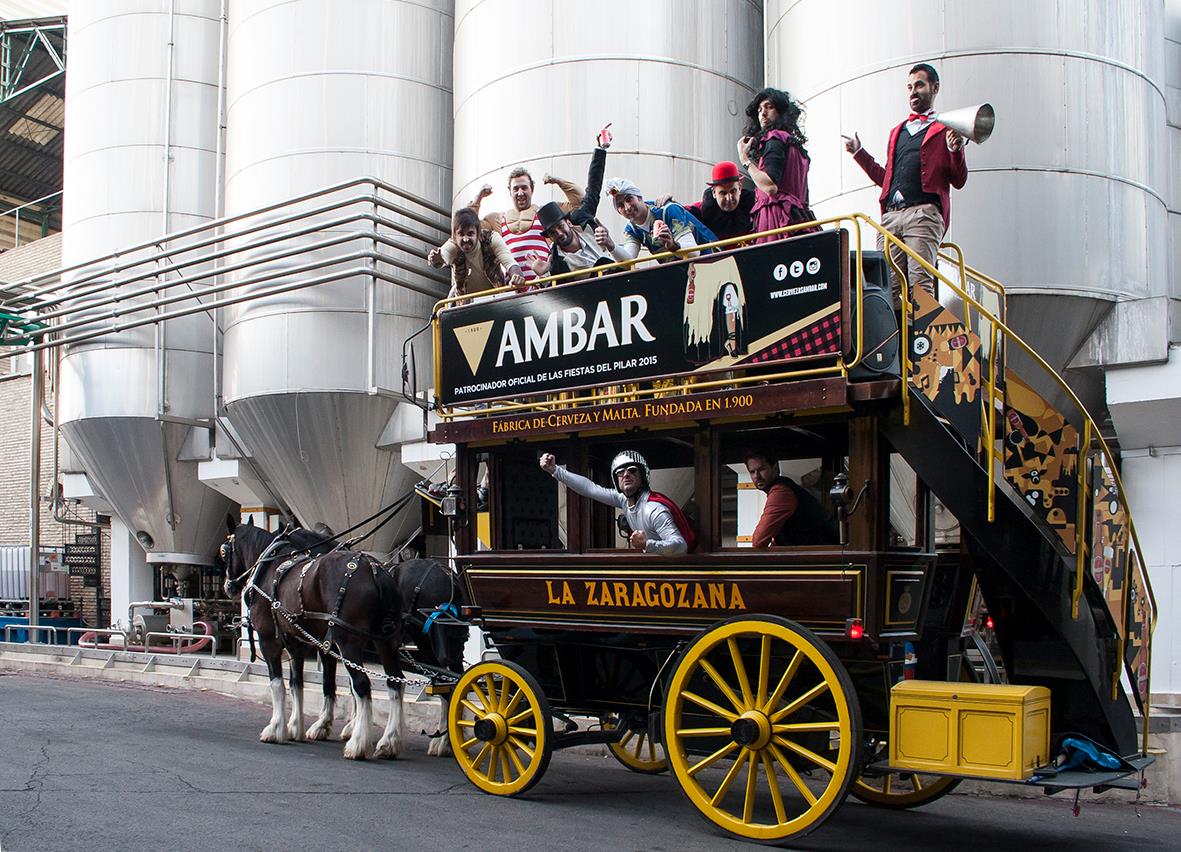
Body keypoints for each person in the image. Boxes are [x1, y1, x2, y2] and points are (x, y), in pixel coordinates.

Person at [843, 62, 967, 305]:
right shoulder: (897, 131)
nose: (913, 91)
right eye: (909, 86)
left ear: (934, 88)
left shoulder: (945, 128)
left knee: (920, 284)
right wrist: (860, 154)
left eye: (919, 85)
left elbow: (959, 179)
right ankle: (895, 341)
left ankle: (921, 342)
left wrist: (955, 149)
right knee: (886, 285)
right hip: (891, 217)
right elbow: (886, 179)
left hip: (923, 214)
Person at [539, 450, 688, 555]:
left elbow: (681, 546)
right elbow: (589, 488)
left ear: (643, 475)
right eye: (620, 472)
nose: (626, 474)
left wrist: (647, 544)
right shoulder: (623, 499)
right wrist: (555, 470)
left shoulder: (653, 509)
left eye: (632, 470)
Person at [530, 125, 629, 279]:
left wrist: (600, 149)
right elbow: (556, 294)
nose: (559, 234)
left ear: (568, 222)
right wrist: (544, 275)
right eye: (553, 233)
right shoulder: (556, 259)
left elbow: (594, 187)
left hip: (620, 275)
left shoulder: (583, 218)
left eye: (560, 227)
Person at [468, 167, 585, 285]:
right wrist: (478, 198)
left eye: (524, 188)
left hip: (544, 284)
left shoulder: (546, 214)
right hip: (513, 289)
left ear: (531, 189)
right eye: (516, 189)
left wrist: (559, 182)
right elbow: (468, 227)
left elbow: (580, 203)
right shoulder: (497, 220)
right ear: (510, 191)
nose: (520, 193)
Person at [737, 88, 817, 244]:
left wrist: (745, 160)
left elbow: (770, 186)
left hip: (776, 220)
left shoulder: (774, 138)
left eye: (769, 107)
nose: (763, 113)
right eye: (759, 110)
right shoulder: (798, 148)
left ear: (781, 111)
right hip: (799, 219)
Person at [596, 178, 718, 261]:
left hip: (715, 259)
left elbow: (694, 252)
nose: (627, 208)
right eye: (621, 205)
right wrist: (610, 244)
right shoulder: (632, 229)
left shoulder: (669, 210)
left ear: (639, 197)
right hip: (687, 273)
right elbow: (629, 260)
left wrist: (672, 245)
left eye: (629, 199)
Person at [744, 449, 838, 548]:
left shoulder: (781, 492)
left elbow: (759, 541)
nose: (757, 476)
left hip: (825, 556)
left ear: (775, 468)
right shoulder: (785, 487)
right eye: (752, 472)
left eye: (762, 469)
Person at [427, 208, 525, 300]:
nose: (465, 239)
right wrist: (437, 260)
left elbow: (510, 263)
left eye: (470, 234)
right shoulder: (453, 245)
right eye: (461, 234)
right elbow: (444, 255)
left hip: (496, 301)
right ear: (454, 236)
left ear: (478, 233)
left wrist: (516, 275)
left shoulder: (491, 239)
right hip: (466, 306)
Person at [686, 161, 757, 242]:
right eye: (723, 193)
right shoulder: (700, 210)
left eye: (733, 191)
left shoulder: (756, 206)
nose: (729, 198)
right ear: (714, 193)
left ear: (740, 188)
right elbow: (680, 212)